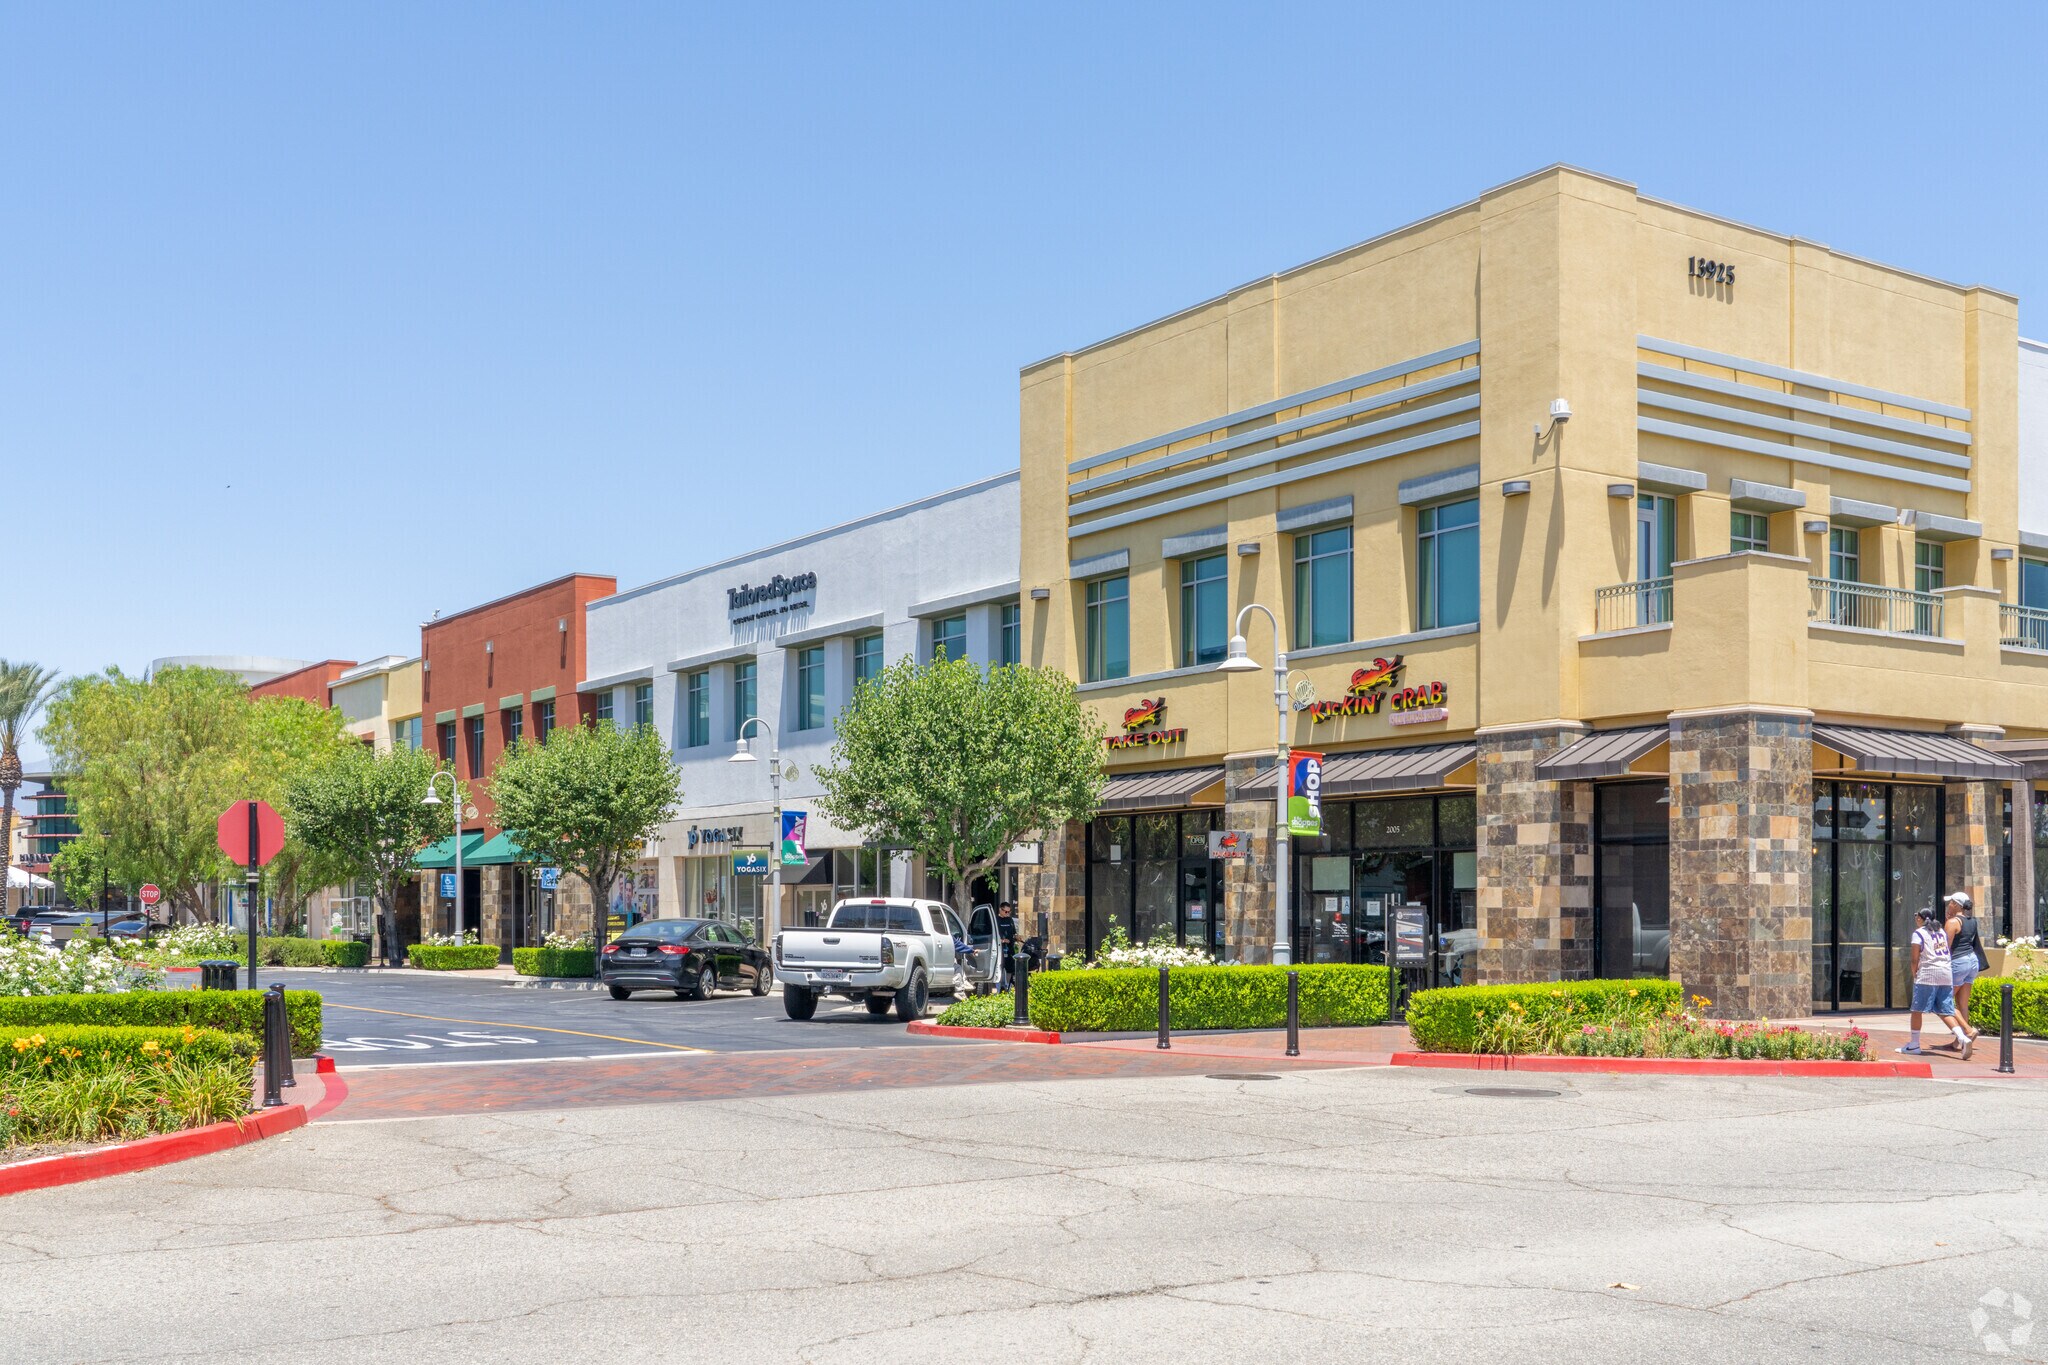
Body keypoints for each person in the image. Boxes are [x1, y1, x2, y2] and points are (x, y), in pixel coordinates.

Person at [1902, 904, 1972, 1059]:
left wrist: (1914, 974)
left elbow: (1915, 958)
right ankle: (1963, 1037)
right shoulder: (1940, 931)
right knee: (1944, 1009)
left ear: (1920, 918)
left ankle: (1914, 1045)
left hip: (1928, 974)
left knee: (1916, 1010)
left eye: (1916, 916)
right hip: (1945, 974)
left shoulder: (1918, 933)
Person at [1945, 891, 1988, 1042]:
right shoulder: (1972, 921)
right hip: (1972, 961)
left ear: (1956, 904)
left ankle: (1968, 1031)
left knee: (1945, 1000)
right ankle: (1960, 1042)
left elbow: (1946, 949)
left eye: (1950, 902)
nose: (1948, 905)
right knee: (1963, 1004)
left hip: (1958, 962)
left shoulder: (1952, 923)